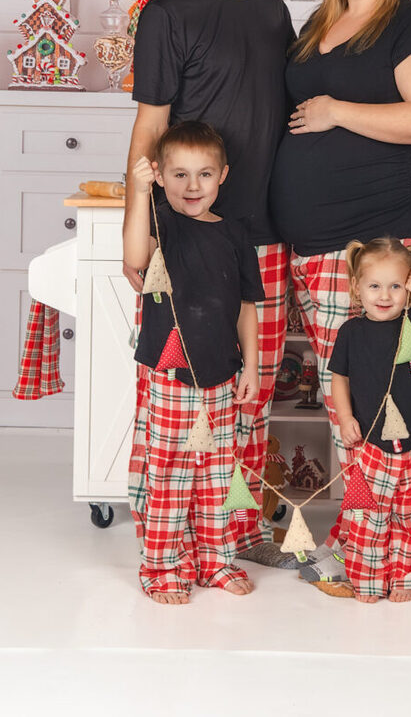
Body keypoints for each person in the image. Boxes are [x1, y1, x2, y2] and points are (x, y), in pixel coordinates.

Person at [269, 0, 411, 589]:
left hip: (377, 235)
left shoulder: (410, 19)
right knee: (344, 390)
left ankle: (388, 542)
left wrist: (336, 110)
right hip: (311, 241)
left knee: (382, 397)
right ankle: (362, 532)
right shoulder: (318, 24)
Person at [124, 0, 297, 568]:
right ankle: (167, 535)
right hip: (184, 240)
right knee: (175, 396)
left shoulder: (273, 10)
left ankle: (232, 535)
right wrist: (136, 221)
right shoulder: (169, 11)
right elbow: (149, 127)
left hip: (261, 232)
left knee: (249, 398)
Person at [124, 120, 264, 604]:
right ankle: (162, 567)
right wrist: (139, 193)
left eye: (204, 174)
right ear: (161, 176)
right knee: (169, 473)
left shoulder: (235, 233)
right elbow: (135, 257)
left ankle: (216, 560)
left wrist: (253, 366)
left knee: (217, 473)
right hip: (171, 376)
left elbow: (248, 304)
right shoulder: (161, 222)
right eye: (179, 174)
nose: (192, 186)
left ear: (222, 175)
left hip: (221, 374)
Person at [329, 238, 411, 602]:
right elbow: (339, 378)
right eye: (374, 285)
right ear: (357, 288)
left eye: (396, 286)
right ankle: (367, 580)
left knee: (410, 515)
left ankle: (404, 577)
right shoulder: (351, 332)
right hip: (371, 443)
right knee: (368, 515)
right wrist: (344, 417)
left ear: (409, 288)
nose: (384, 295)